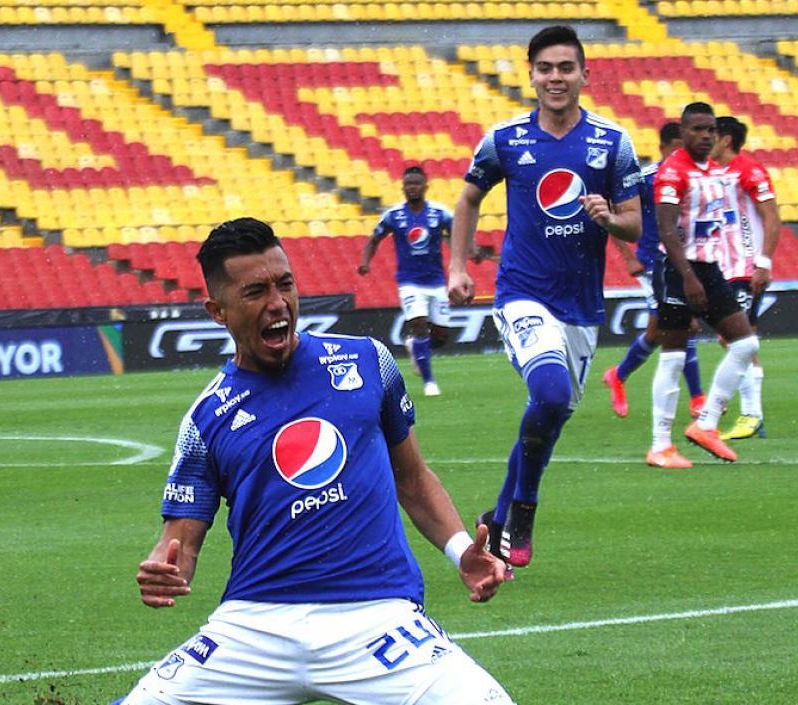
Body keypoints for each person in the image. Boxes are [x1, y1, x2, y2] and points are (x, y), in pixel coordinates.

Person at [117, 217, 513, 705]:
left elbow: (411, 478)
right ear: (217, 311)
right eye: (256, 291)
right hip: (254, 628)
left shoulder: (369, 362)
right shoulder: (205, 419)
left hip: (377, 617)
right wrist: (165, 566)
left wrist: (460, 551)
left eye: (285, 284)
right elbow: (180, 543)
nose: (278, 303)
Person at [448, 25, 643, 567]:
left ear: (585, 74)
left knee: (549, 413)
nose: (556, 78)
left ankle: (498, 516)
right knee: (552, 394)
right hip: (521, 294)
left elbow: (634, 223)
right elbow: (467, 201)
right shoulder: (505, 140)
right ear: (530, 74)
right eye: (546, 68)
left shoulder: (613, 143)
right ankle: (525, 507)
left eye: (566, 68)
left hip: (580, 306)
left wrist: (612, 218)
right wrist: (458, 267)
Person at [649, 102, 761, 467]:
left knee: (745, 344)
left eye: (711, 129)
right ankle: (660, 445)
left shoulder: (715, 171)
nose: (706, 135)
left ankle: (707, 423)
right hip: (677, 269)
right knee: (674, 354)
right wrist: (687, 277)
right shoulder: (672, 172)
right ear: (683, 134)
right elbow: (666, 229)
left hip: (709, 270)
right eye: (698, 129)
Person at [603, 122, 708, 428]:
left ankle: (618, 375)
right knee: (682, 324)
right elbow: (611, 210)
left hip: (682, 262)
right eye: (677, 147)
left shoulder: (691, 177)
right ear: (664, 147)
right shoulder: (646, 178)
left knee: (657, 331)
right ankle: (697, 398)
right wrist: (628, 255)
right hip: (652, 265)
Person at [358, 165, 453, 397]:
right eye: (408, 184)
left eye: (416, 184)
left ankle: (415, 347)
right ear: (402, 187)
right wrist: (365, 261)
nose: (412, 188)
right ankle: (430, 382)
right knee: (420, 325)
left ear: (425, 186)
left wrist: (466, 255)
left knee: (441, 336)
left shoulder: (440, 214)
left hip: (436, 281)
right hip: (409, 282)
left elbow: (457, 235)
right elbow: (374, 239)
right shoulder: (394, 215)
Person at [713, 116, 780, 441]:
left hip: (745, 268)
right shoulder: (711, 173)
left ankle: (751, 415)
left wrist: (763, 263)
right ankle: (753, 416)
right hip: (721, 268)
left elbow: (772, 217)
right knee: (737, 338)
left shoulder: (749, 170)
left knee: (738, 338)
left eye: (712, 133)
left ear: (726, 139)